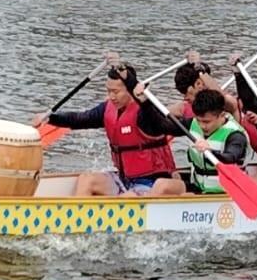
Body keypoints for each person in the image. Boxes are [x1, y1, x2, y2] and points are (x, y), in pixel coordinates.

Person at [31, 63, 187, 197]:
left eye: (116, 92)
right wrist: (49, 118)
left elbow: (161, 120)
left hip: (150, 183)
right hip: (123, 179)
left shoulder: (146, 113)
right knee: (87, 179)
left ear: (130, 90)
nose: (111, 96)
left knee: (128, 197)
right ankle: (79, 220)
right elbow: (79, 119)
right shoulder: (107, 109)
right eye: (108, 91)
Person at [182, 88, 251, 195]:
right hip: (200, 188)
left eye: (206, 122)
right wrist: (146, 102)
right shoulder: (194, 123)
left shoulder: (236, 135)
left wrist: (210, 152)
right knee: (166, 185)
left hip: (227, 194)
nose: (202, 126)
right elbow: (160, 126)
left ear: (222, 115)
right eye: (199, 120)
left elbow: (230, 158)